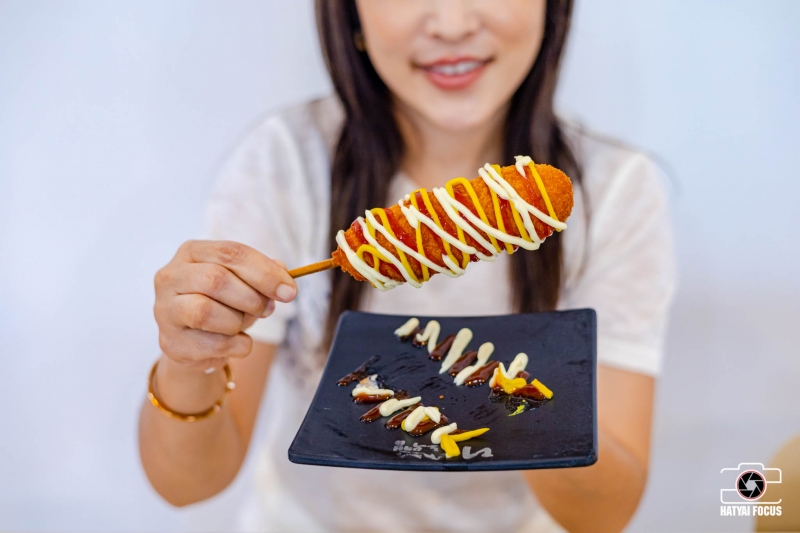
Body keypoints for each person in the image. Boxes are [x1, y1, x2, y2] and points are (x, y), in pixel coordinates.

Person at [138, 1, 675, 531]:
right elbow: (186, 485)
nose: (452, 24)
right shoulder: (286, 162)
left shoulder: (614, 190)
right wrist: (188, 355)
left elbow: (603, 514)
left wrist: (511, 392)